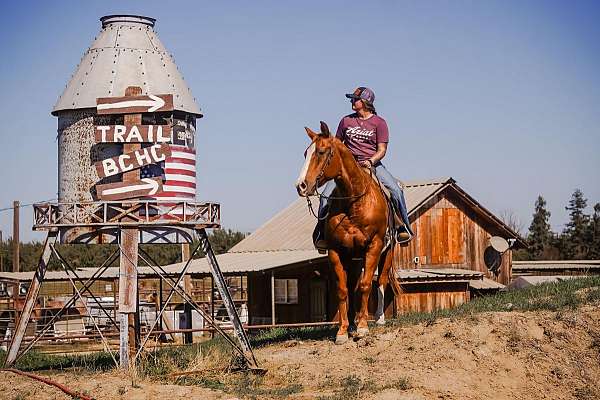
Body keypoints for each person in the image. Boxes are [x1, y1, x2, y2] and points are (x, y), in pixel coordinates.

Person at [313, 86, 414, 251]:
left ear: (366, 102)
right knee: (325, 196)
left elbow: (382, 150)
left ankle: (403, 228)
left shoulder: (379, 123)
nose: (352, 101)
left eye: (355, 99)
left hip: (371, 165)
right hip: (347, 166)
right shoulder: (346, 121)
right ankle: (321, 234)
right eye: (353, 99)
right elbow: (337, 145)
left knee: (395, 190)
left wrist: (371, 161)